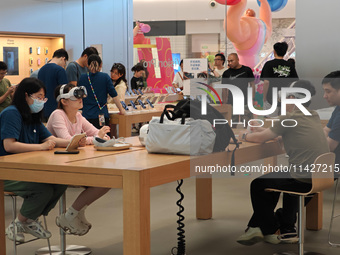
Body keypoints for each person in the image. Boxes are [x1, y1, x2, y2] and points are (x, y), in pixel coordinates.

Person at [237, 80, 329, 246]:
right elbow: (292, 133)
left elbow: (258, 139)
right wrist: (268, 133)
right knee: (274, 181)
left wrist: (243, 136)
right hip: (321, 176)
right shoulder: (313, 114)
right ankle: (278, 226)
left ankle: (268, 228)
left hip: (302, 178)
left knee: (258, 185)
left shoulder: (289, 117)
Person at [1, 77, 69, 243]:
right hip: (7, 171)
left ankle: (26, 220)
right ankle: (21, 222)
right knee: (43, 190)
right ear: (26, 96)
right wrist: (40, 147)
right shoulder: (11, 113)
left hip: (27, 168)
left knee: (62, 181)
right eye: (38, 97)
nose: (41, 101)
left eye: (43, 98)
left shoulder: (32, 116)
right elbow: (9, 145)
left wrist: (78, 141)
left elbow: (50, 138)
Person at [46, 83, 110, 235]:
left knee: (107, 180)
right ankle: (71, 215)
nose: (81, 99)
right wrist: (93, 138)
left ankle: (74, 213)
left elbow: (97, 133)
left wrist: (99, 136)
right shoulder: (57, 115)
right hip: (55, 166)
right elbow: (69, 140)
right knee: (102, 180)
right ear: (64, 101)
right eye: (76, 96)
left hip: (73, 162)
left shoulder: (78, 116)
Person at [78, 54, 125, 129]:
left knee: (88, 138)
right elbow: (114, 95)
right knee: (102, 137)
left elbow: (79, 96)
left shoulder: (82, 77)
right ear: (100, 65)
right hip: (101, 115)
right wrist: (121, 109)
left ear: (88, 65)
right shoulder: (105, 77)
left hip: (86, 115)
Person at [223, 0, 272, 68]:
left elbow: (230, 23)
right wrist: (264, 3)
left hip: (244, 70)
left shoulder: (245, 24)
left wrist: (240, 3)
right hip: (257, 67)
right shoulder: (263, 27)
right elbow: (267, 19)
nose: (249, 10)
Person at [261, 42, 299, 111]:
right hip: (285, 98)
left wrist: (264, 97)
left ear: (274, 51)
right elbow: (294, 82)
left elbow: (266, 82)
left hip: (271, 98)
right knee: (284, 120)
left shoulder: (268, 64)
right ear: (285, 52)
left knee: (270, 120)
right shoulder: (289, 65)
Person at [222, 53, 255, 124]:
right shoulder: (226, 73)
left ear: (238, 60)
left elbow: (252, 84)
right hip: (232, 102)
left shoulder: (247, 70)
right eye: (228, 61)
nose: (230, 63)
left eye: (232, 61)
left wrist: (252, 98)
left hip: (245, 101)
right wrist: (225, 103)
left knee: (247, 123)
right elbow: (224, 89)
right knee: (232, 123)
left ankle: (246, 135)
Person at [38, 48, 69, 120]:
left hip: (42, 109)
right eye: (65, 63)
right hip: (56, 109)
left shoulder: (41, 70)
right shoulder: (60, 70)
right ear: (63, 58)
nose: (64, 65)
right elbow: (65, 91)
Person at [322, 71, 340, 169]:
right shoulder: (338, 108)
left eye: (328, 91)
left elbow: (329, 147)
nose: (324, 96)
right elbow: (326, 130)